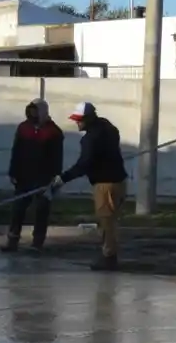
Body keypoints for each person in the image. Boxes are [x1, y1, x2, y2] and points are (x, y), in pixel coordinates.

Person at [49, 102, 128, 271]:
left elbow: (84, 164)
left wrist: (63, 178)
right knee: (112, 220)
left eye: (80, 120)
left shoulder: (90, 139)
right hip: (119, 181)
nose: (77, 123)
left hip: (105, 184)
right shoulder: (108, 127)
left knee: (107, 221)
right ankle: (110, 254)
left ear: (90, 118)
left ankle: (108, 257)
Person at [2, 98, 63, 253]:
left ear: (42, 112)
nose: (32, 114)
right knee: (18, 209)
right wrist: (13, 172)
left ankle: (37, 243)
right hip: (23, 176)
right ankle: (12, 240)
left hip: (44, 178)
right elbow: (16, 151)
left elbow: (57, 157)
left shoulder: (53, 131)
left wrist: (55, 177)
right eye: (30, 111)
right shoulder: (23, 128)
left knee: (41, 210)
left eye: (35, 111)